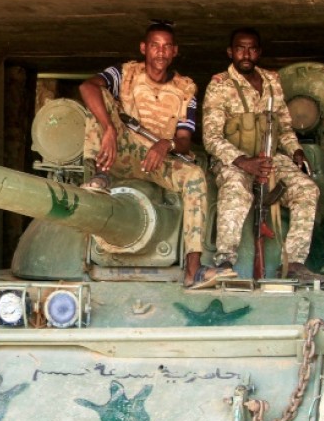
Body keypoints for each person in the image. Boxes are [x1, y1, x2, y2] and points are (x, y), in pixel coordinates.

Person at [80, 20, 235, 289]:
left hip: (157, 160)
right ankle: (100, 175)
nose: (160, 52)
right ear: (144, 48)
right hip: (119, 153)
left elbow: (185, 140)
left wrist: (166, 144)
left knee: (195, 176)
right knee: (99, 97)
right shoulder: (124, 74)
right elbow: (87, 87)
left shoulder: (186, 89)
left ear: (175, 51)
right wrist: (109, 128)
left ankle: (194, 270)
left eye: (166, 47)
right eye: (155, 45)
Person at [202, 28, 324, 281]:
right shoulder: (219, 86)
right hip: (234, 159)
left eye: (252, 48)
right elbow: (211, 138)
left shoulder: (272, 81)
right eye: (240, 48)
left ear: (259, 52)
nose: (246, 54)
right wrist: (244, 162)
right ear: (230, 52)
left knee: (307, 189)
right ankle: (225, 262)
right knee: (234, 188)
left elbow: (285, 127)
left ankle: (293, 263)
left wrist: (296, 151)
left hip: (271, 156)